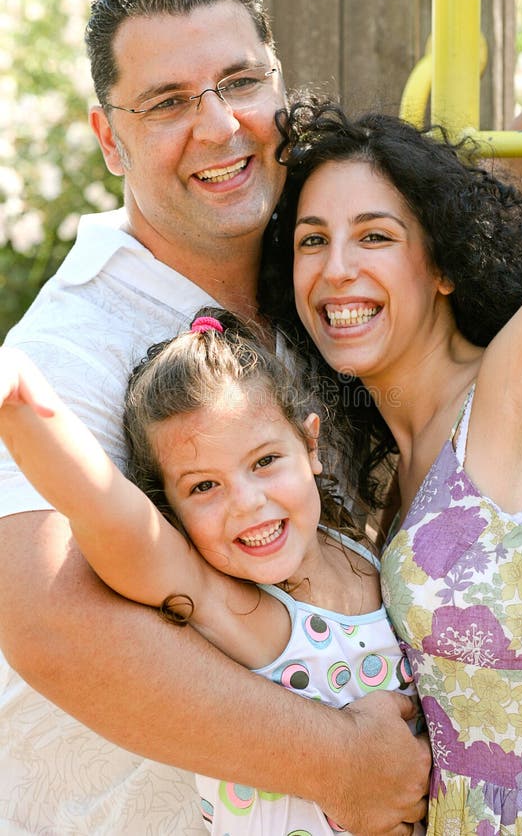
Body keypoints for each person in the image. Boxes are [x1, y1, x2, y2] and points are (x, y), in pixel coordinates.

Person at [0, 0, 522, 834]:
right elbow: (47, 621)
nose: (218, 126)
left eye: (241, 81)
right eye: (168, 101)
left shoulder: (310, 275)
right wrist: (339, 761)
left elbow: (478, 207)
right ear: (107, 138)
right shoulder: (73, 340)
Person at [267, 98, 522, 833]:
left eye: (375, 236)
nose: (338, 270)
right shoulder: (379, 478)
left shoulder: (518, 386)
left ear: (444, 263)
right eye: (312, 240)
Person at [0, 307, 425, 836]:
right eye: (204, 487)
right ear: (172, 513)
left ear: (310, 444)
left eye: (265, 461)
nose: (246, 503)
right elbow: (111, 517)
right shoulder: (235, 608)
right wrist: (19, 399)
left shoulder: (365, 551)